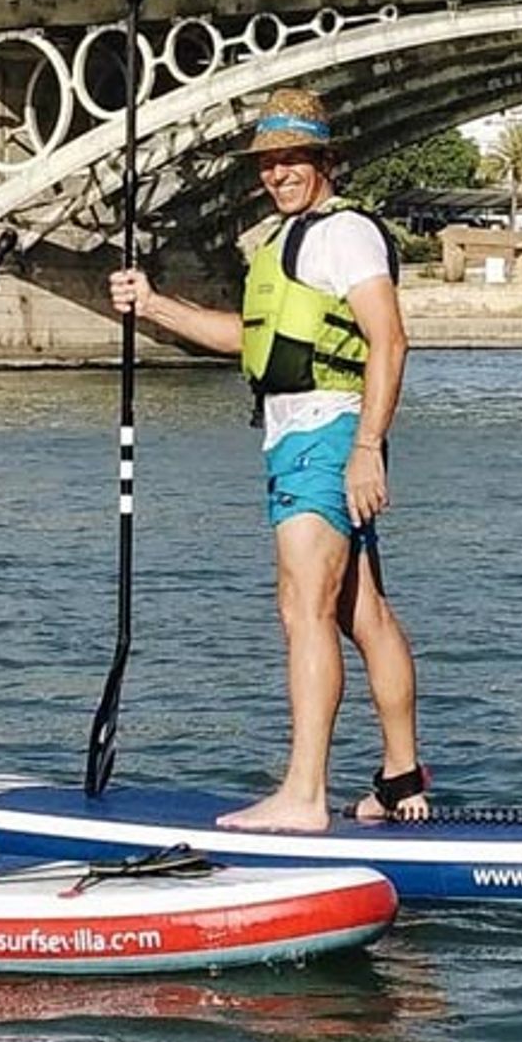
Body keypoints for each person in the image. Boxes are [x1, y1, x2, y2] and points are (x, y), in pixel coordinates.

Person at [108, 88, 427, 833]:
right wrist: (153, 305)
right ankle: (401, 777)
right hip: (301, 434)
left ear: (326, 162)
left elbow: (391, 339)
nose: (279, 173)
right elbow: (249, 340)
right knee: (361, 611)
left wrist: (366, 449)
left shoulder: (344, 234)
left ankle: (304, 795)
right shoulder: (289, 243)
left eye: (294, 159)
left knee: (302, 609)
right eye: (270, 162)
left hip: (326, 434)